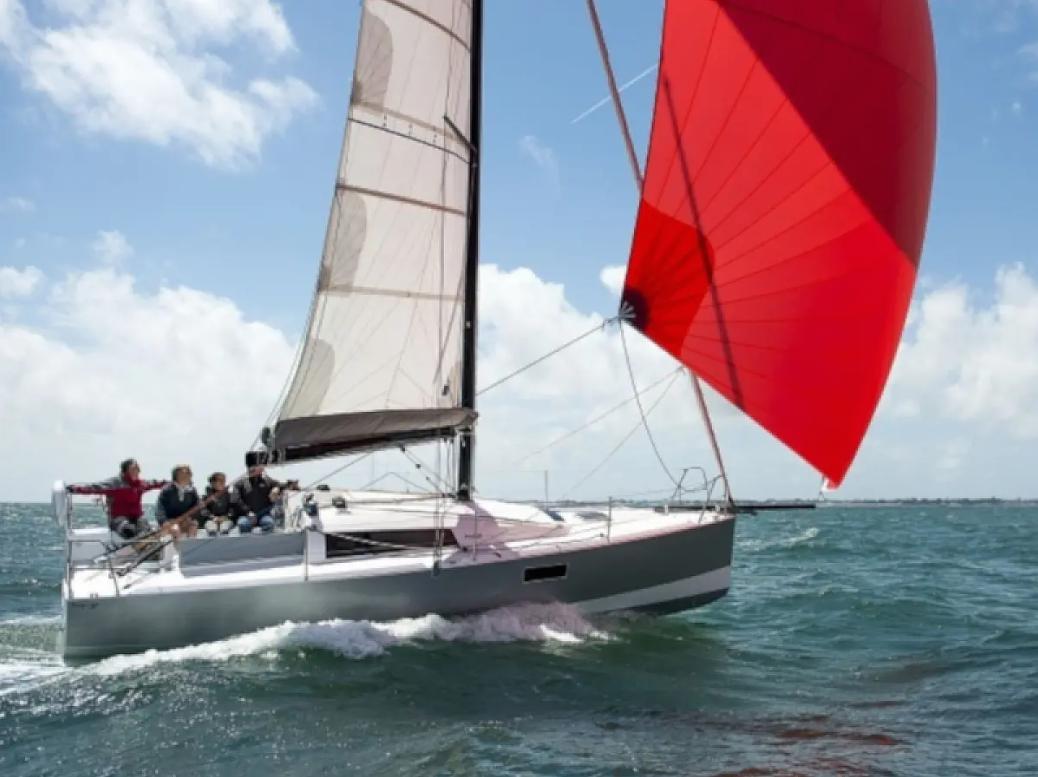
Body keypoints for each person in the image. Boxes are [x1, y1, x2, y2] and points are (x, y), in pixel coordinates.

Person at [66, 459, 167, 539]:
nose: (137, 471)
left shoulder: (141, 484)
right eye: (133, 469)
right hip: (118, 518)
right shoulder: (115, 483)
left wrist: (171, 484)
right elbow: (94, 488)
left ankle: (145, 550)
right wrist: (74, 489)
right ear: (125, 471)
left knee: (146, 530)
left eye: (138, 469)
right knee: (129, 530)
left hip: (136, 518)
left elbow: (155, 483)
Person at [231, 452, 296, 534]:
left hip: (263, 516)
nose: (262, 468)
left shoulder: (267, 481)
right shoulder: (239, 483)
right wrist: (248, 512)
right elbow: (235, 500)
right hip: (246, 516)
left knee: (269, 523)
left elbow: (281, 485)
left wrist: (277, 488)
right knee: (243, 524)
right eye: (259, 466)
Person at [154, 465, 200, 538]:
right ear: (176, 475)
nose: (188, 475)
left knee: (193, 525)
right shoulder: (167, 490)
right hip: (170, 521)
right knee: (175, 529)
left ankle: (191, 543)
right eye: (185, 473)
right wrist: (164, 522)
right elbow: (160, 509)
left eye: (189, 473)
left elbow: (197, 507)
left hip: (186, 520)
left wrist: (190, 518)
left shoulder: (192, 491)